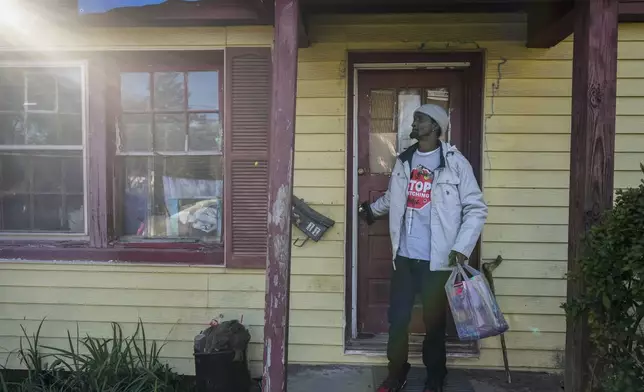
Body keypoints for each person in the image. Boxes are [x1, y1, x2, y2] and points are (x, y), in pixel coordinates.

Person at [359, 104, 488, 392]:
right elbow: (393, 199)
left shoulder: (455, 163)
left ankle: (435, 378)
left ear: (434, 126)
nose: (414, 123)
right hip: (405, 257)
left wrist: (462, 246)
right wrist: (368, 211)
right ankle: (396, 374)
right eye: (415, 119)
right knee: (398, 320)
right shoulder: (404, 160)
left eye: (420, 119)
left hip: (438, 261)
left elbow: (476, 208)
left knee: (434, 325)